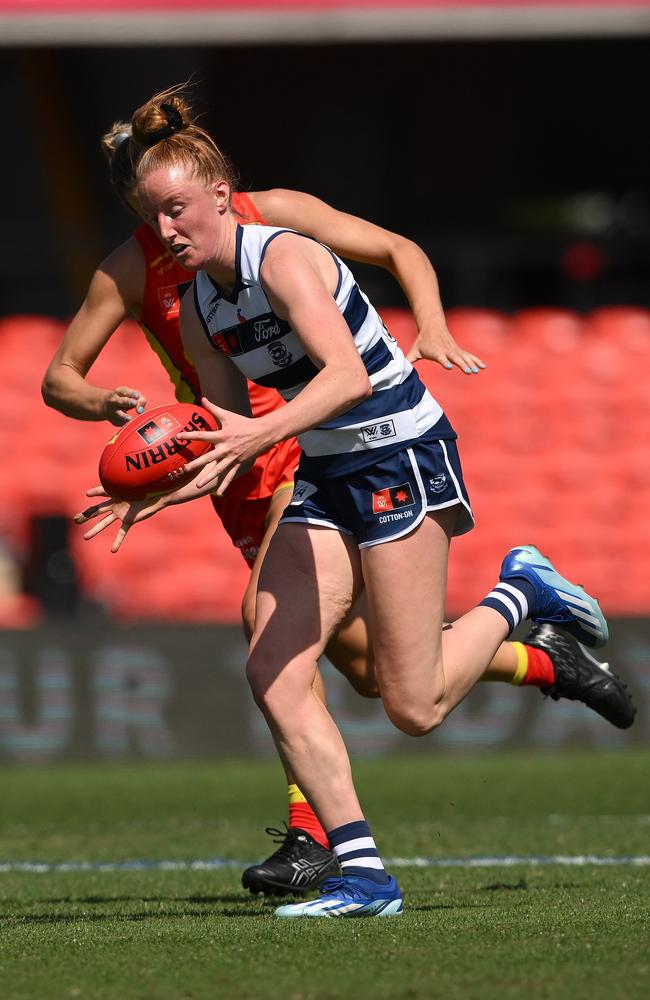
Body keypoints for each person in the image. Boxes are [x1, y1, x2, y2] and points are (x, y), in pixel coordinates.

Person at [74, 88, 634, 917]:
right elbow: (223, 430)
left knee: (414, 704)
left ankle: (525, 592)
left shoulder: (284, 258)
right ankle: (363, 875)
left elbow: (348, 377)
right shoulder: (199, 309)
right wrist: (165, 486)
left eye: (178, 211)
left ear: (222, 196)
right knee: (274, 669)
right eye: (153, 219)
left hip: (399, 455)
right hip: (327, 476)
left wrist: (253, 441)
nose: (166, 233)